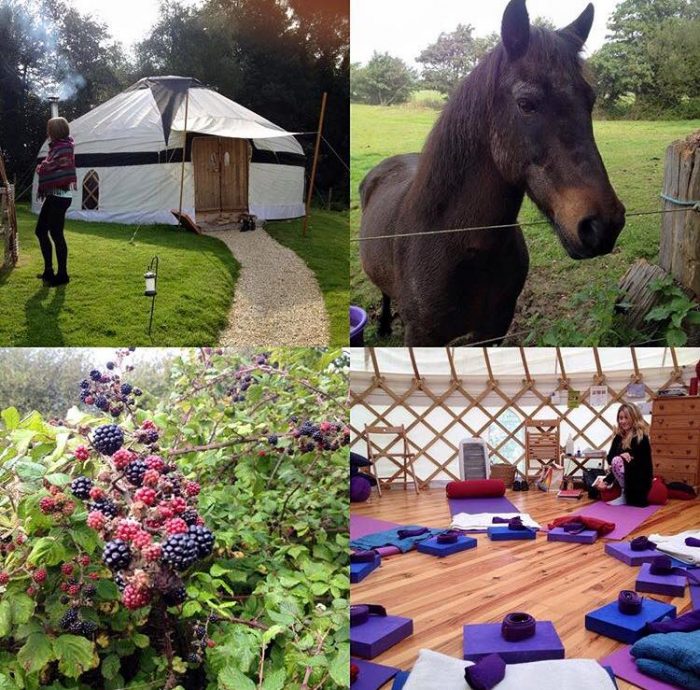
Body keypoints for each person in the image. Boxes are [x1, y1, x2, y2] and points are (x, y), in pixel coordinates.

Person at [35, 117, 76, 286]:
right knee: (41, 231)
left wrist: (41, 168)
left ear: (55, 131)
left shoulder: (64, 147)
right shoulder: (57, 147)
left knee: (56, 234)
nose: (48, 133)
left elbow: (47, 167)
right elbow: (50, 165)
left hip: (60, 197)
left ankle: (63, 275)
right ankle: (48, 271)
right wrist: (44, 166)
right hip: (54, 195)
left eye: (49, 129)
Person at [592, 402, 653, 506]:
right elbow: (610, 458)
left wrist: (622, 458)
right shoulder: (619, 437)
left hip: (639, 478)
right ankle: (623, 494)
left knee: (617, 461)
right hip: (625, 477)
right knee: (616, 460)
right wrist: (607, 481)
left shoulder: (641, 438)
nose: (623, 421)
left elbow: (641, 464)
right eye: (620, 418)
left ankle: (626, 495)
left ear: (634, 418)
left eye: (626, 417)